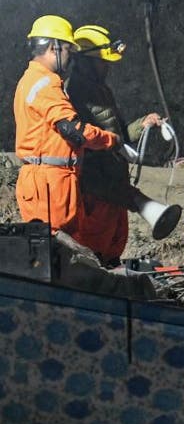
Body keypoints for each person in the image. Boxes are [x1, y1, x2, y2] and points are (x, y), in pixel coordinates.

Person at [65, 24, 181, 264]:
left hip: (113, 189)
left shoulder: (101, 91)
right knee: (95, 256)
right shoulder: (76, 94)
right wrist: (128, 196)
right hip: (97, 195)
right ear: (86, 61)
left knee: (111, 250)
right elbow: (89, 148)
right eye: (102, 61)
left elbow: (117, 137)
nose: (107, 66)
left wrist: (143, 124)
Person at [13, 16, 129, 252]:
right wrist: (110, 140)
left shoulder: (32, 80)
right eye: (68, 49)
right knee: (56, 253)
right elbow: (74, 130)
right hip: (47, 185)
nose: (70, 56)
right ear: (53, 46)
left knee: (59, 255)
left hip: (49, 183)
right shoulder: (45, 83)